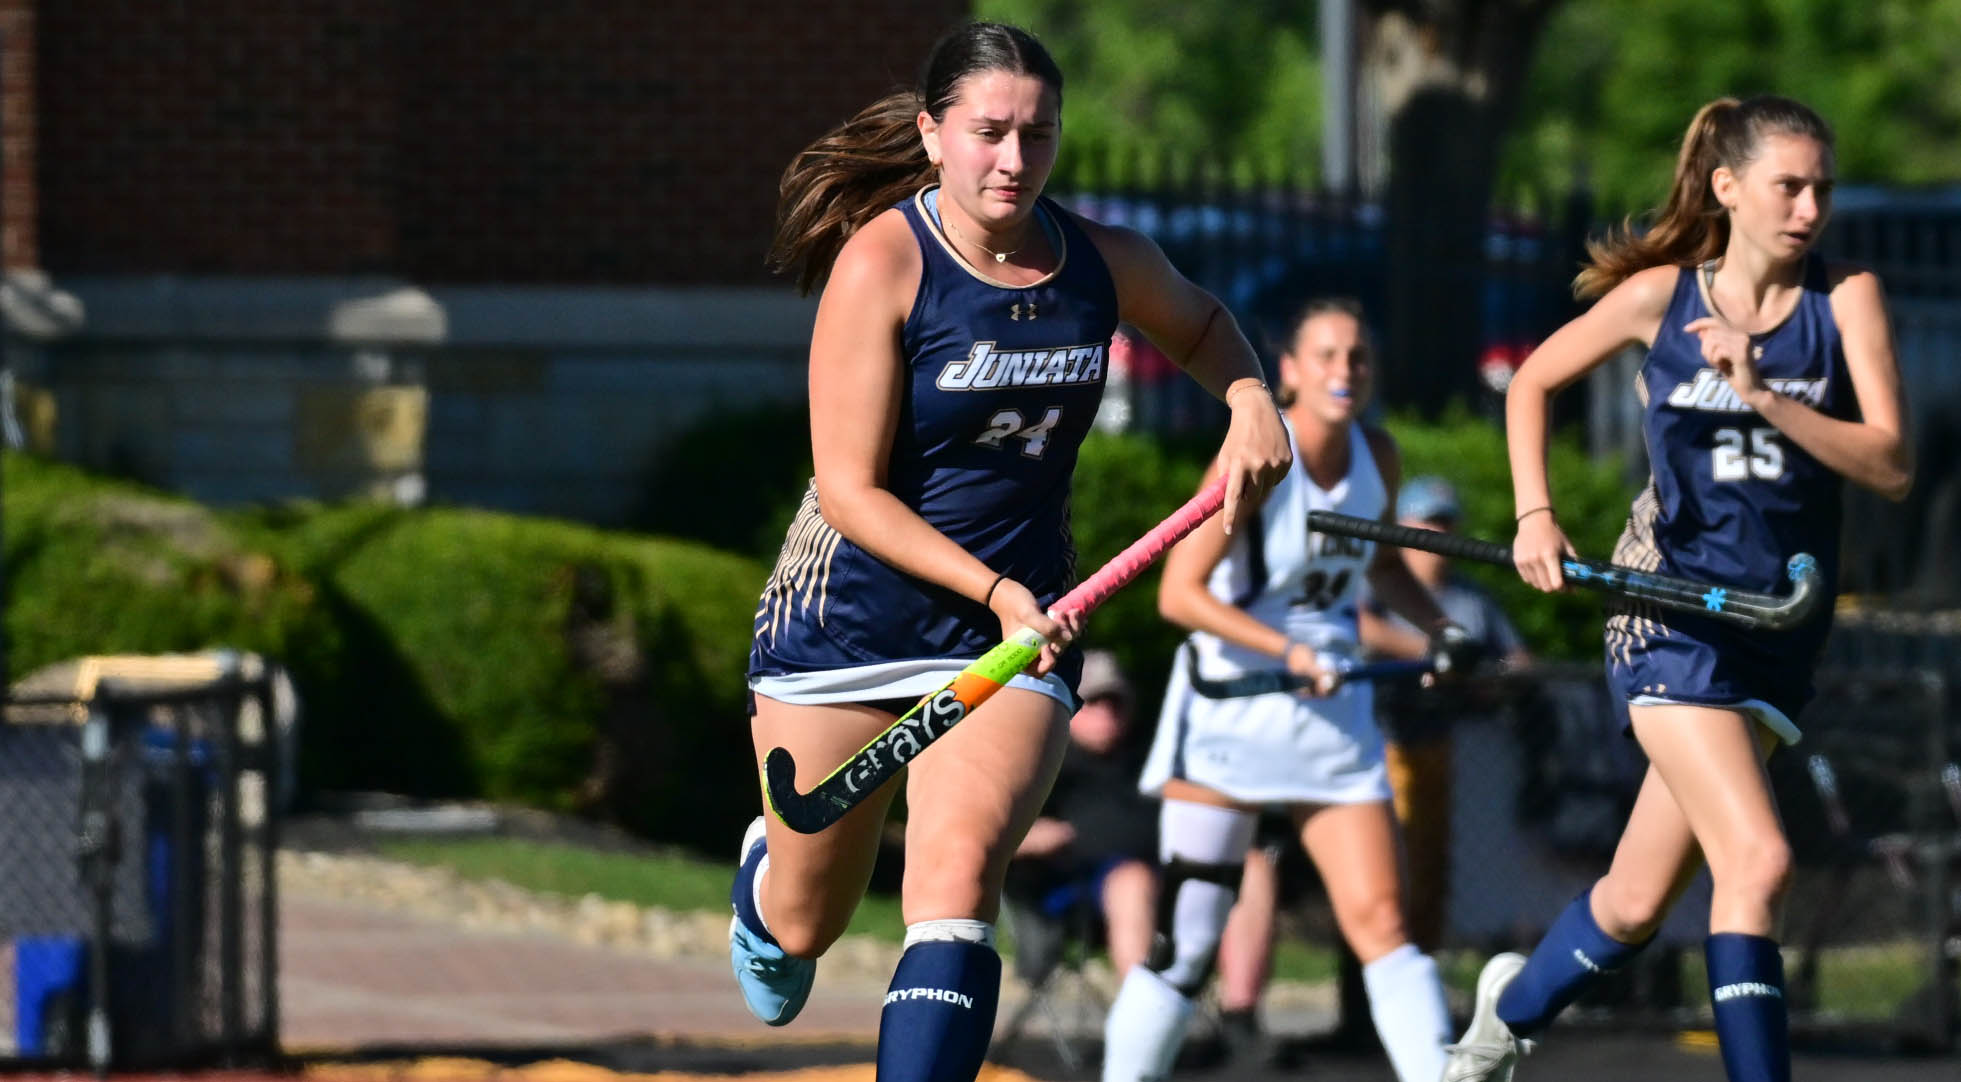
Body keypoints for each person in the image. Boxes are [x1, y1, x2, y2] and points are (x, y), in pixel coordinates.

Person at [729, 21, 1293, 1082]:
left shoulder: (1099, 261)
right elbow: (848, 491)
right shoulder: (882, 263)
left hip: (1017, 621)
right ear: (932, 134)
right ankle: (768, 874)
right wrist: (991, 589)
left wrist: (1251, 394)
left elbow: (1203, 324)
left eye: (1036, 135)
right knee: (803, 928)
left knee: (954, 871)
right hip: (851, 611)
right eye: (988, 132)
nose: (1012, 159)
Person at [1442, 96, 1912, 1082]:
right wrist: (1533, 513)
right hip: (1666, 610)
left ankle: (1497, 1024)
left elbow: (1886, 462)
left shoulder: (1843, 299)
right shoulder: (1660, 299)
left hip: (1775, 627)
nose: (1808, 206)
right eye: (1788, 185)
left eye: (1820, 187)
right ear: (1727, 187)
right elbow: (1530, 381)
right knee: (1757, 859)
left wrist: (1763, 394)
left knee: (1630, 899)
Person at [1102, 297, 1476, 1082]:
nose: (1345, 371)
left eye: (1358, 357)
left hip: (1332, 721)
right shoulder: (1257, 459)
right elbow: (1180, 593)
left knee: (1382, 922)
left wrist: (1438, 628)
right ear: (1293, 373)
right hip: (1231, 712)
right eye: (1328, 356)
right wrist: (1287, 650)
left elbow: (1378, 564)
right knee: (1188, 941)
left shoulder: (1379, 456)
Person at [1364, 475, 1533, 949]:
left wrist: (1480, 675)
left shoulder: (1472, 598)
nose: (1438, 537)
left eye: (1446, 524)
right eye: (1427, 524)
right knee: (1387, 872)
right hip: (1383, 744)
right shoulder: (1378, 585)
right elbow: (1358, 626)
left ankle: (1423, 966)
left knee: (1435, 874)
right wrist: (1431, 651)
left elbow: (1518, 662)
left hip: (1455, 749)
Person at [1005, 649, 1159, 981]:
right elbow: (987, 836)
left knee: (1248, 867)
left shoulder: (1147, 758)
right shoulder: (1040, 761)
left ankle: (1238, 1014)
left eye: (1115, 703)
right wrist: (1028, 838)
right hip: (1067, 894)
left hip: (1165, 886)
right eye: (1094, 703)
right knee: (1130, 881)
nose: (1106, 715)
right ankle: (1143, 1016)